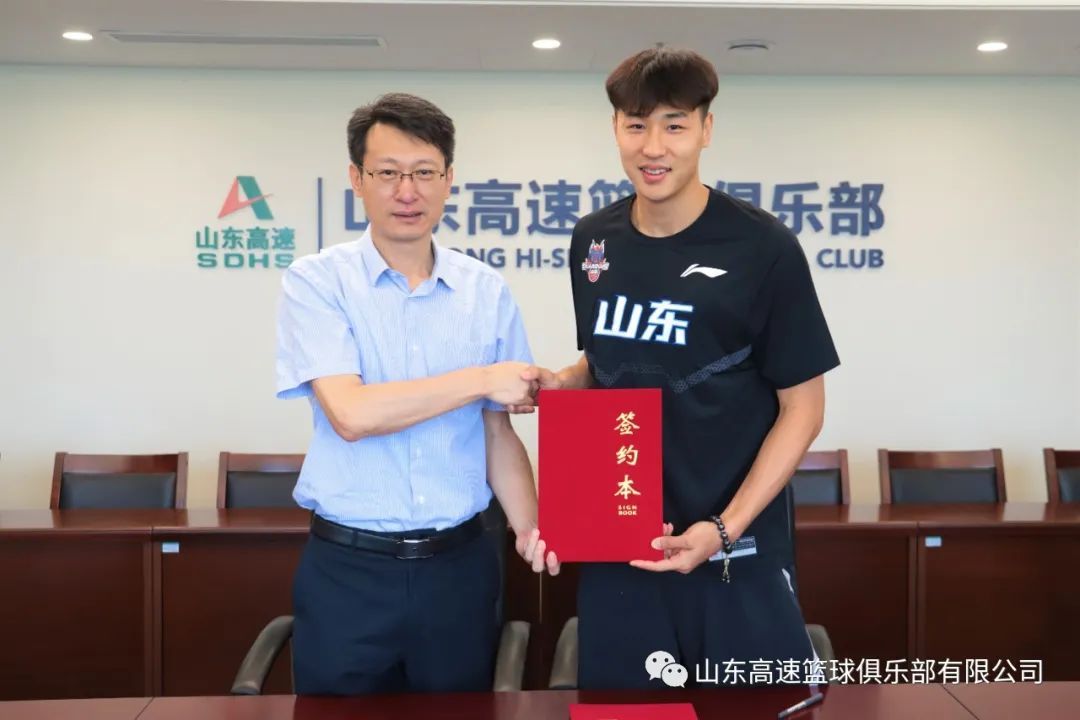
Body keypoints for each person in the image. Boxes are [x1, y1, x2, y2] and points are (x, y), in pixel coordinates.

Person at [530, 48, 840, 689]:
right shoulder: (593, 240)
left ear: (706, 129)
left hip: (734, 552)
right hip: (620, 542)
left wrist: (724, 529)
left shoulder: (764, 248)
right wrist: (561, 384)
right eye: (636, 125)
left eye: (674, 125)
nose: (654, 147)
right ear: (615, 129)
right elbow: (605, 363)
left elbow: (803, 408)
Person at [275, 92, 558, 695]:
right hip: (349, 571)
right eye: (388, 173)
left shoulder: (485, 290)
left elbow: (496, 431)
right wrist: (481, 378)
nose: (408, 191)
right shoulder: (317, 281)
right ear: (357, 179)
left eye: (425, 172)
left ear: (449, 180)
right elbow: (351, 414)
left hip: (461, 569)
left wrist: (531, 528)